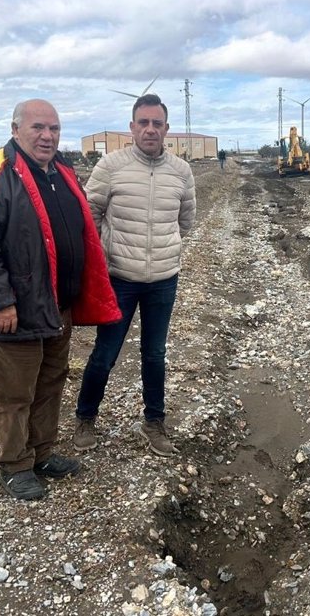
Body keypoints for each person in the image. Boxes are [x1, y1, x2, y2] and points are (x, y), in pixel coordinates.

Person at [0, 99, 121, 501]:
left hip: (57, 305)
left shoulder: (60, 172)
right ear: (15, 130)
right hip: (16, 309)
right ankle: (14, 464)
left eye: (55, 129)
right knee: (15, 392)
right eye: (38, 128)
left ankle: (42, 451)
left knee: (50, 382)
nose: (48, 136)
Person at [73, 93, 196, 456]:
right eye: (143, 122)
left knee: (155, 355)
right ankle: (85, 417)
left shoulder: (181, 171)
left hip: (163, 280)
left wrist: (162, 248)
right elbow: (90, 213)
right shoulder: (111, 166)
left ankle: (154, 423)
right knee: (105, 353)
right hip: (119, 280)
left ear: (167, 129)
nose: (150, 129)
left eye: (157, 123)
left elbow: (186, 221)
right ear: (132, 127)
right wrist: (101, 255)